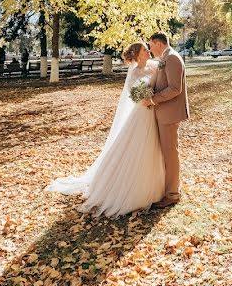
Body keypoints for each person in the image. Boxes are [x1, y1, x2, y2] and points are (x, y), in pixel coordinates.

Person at [46, 42, 166, 216]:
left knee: (154, 148)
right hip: (141, 114)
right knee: (139, 149)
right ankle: (135, 190)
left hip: (154, 112)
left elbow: (165, 73)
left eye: (149, 49)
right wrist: (144, 100)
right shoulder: (134, 73)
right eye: (145, 50)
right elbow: (133, 95)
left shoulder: (155, 65)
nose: (149, 51)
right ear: (139, 55)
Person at [140, 32, 188, 209]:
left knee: (170, 153)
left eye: (150, 45)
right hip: (164, 113)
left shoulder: (173, 58)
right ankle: (171, 189)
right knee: (168, 153)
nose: (150, 48)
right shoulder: (165, 57)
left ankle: (172, 194)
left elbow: (175, 88)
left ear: (157, 43)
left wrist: (153, 99)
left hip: (169, 114)